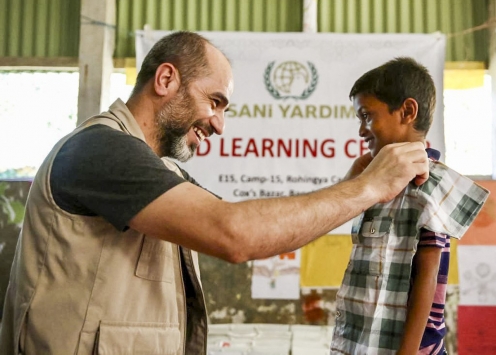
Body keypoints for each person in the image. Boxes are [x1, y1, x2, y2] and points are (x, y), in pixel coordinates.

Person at [0, 32, 431, 355]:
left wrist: (348, 189)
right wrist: (367, 187)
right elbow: (235, 234)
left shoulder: (161, 170)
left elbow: (256, 226)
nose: (219, 124)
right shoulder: (99, 150)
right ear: (166, 79)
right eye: (215, 101)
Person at [330, 57, 489, 355]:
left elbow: (427, 277)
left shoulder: (427, 183)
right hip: (368, 342)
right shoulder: (377, 180)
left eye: (367, 116)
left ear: (407, 112)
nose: (362, 130)